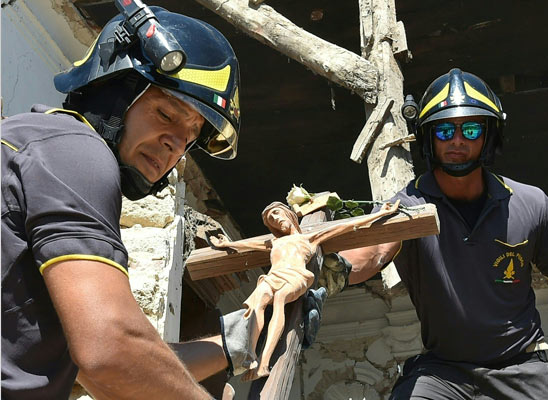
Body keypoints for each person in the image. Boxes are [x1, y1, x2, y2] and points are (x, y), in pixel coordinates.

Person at [1, 4, 319, 399]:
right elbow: (109, 355)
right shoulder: (76, 150)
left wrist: (236, 339)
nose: (176, 145)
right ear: (114, 88)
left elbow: (108, 362)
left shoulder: (32, 143)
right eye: (167, 113)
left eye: (190, 136)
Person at [333, 68, 548, 399]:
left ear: (489, 135)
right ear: (428, 137)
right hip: (443, 374)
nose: (457, 140)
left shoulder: (531, 204)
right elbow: (374, 252)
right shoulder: (406, 206)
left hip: (523, 369)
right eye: (444, 131)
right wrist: (333, 270)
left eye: (470, 129)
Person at [210, 200, 399, 381]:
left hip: (296, 276)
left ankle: (264, 363)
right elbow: (246, 245)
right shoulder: (273, 242)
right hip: (273, 276)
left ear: (288, 214)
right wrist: (227, 244)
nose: (275, 219)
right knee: (257, 303)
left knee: (280, 299)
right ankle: (249, 356)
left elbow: (347, 226)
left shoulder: (309, 237)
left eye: (276, 213)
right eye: (271, 220)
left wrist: (382, 214)